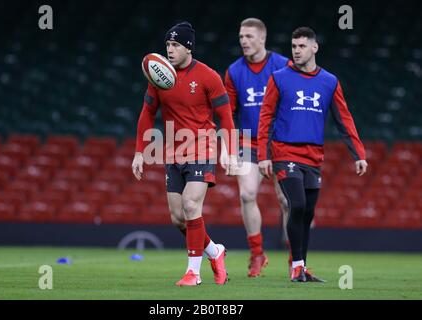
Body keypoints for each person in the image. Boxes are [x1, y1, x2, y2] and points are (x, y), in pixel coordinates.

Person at [257, 27, 368, 282]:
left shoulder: (329, 81)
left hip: (314, 157)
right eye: (294, 46)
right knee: (297, 204)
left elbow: (344, 119)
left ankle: (302, 267)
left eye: (302, 46)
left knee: (307, 214)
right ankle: (296, 266)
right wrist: (264, 155)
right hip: (285, 152)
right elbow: (265, 118)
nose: (296, 51)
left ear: (314, 48)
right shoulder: (279, 78)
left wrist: (358, 154)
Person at [132, 21, 238, 286]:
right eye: (168, 44)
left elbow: (225, 115)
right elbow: (147, 114)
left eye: (175, 45)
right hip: (173, 151)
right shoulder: (159, 78)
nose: (170, 49)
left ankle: (193, 273)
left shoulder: (208, 76)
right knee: (179, 218)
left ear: (188, 48)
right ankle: (215, 251)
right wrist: (138, 153)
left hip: (202, 147)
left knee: (192, 205)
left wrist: (230, 150)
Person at [223, 17, 291, 277]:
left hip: (279, 141)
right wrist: (226, 148)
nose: (244, 41)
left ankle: (295, 258)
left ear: (262, 38)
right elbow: (227, 113)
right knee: (246, 194)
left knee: (287, 200)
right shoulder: (234, 71)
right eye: (241, 37)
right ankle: (257, 254)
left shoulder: (283, 66)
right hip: (248, 140)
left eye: (249, 36)